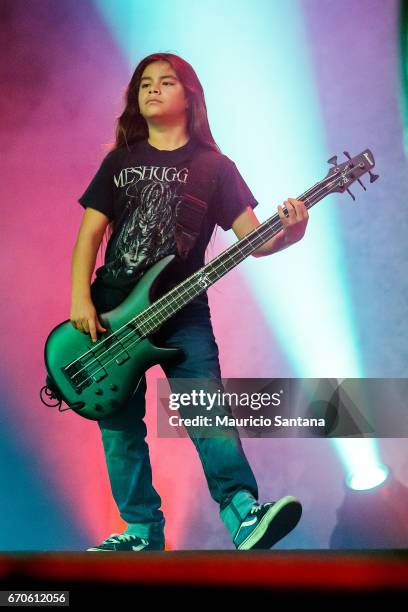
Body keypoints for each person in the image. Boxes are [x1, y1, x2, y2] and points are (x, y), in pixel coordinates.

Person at [71, 52, 308, 552]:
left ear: (189, 96)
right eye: (144, 84)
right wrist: (80, 299)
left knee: (208, 410)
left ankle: (243, 513)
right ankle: (140, 531)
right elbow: (89, 236)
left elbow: (257, 241)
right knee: (118, 429)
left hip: (184, 315)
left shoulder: (215, 167)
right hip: (112, 314)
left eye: (165, 81)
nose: (152, 89)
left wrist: (294, 229)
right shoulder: (120, 161)